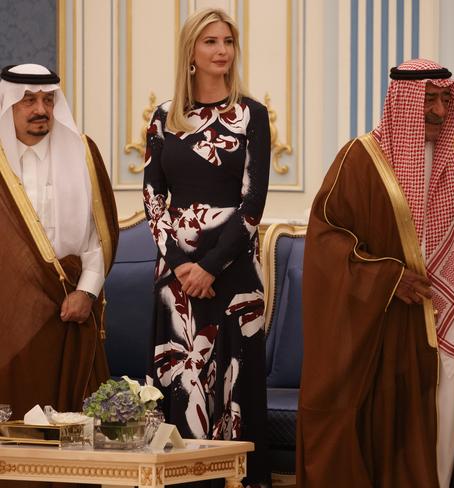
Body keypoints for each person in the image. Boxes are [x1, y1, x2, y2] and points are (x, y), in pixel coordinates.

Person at [297, 59, 454, 488]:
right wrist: (388, 279)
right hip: (391, 321)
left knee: (449, 419)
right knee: (400, 431)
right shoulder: (361, 159)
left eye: (446, 98)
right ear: (403, 102)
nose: (440, 111)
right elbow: (326, 241)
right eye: (429, 99)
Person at [142, 8, 271, 488]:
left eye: (228, 42)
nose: (222, 51)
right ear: (191, 52)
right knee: (184, 385)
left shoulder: (252, 115)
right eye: (211, 42)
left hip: (233, 275)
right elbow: (153, 198)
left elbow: (253, 203)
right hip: (176, 282)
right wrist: (180, 267)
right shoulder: (163, 117)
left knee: (234, 393)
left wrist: (211, 266)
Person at [0, 63, 118, 486]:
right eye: (28, 100)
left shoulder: (81, 153)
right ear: (8, 103)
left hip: (71, 315)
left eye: (47, 100)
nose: (40, 109)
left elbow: (97, 240)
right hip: (8, 320)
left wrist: (86, 293)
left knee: (71, 444)